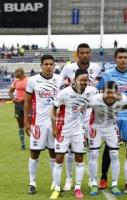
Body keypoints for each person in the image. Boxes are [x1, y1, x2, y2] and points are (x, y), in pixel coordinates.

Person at [96, 47, 127, 190]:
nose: (123, 60)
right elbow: (99, 90)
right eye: (120, 57)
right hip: (113, 116)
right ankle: (104, 177)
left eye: (125, 57)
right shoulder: (108, 74)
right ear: (115, 59)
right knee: (109, 148)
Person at [60, 43, 102, 191]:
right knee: (71, 151)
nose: (84, 55)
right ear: (77, 54)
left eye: (87, 53)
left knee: (93, 149)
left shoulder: (96, 68)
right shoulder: (68, 68)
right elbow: (60, 86)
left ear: (90, 54)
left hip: (90, 115)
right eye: (81, 53)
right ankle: (69, 179)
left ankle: (92, 179)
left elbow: (100, 87)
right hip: (74, 116)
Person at [50, 68, 97, 199]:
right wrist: (54, 127)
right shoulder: (64, 93)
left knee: (80, 159)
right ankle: (57, 188)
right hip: (63, 130)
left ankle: (77, 187)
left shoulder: (91, 92)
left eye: (86, 80)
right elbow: (54, 108)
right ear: (74, 80)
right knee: (59, 159)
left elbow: (97, 105)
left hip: (79, 131)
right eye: (81, 80)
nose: (83, 82)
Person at [24, 55, 63, 194]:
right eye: (46, 64)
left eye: (51, 64)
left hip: (54, 123)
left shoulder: (59, 79)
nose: (48, 66)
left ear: (54, 65)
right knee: (34, 153)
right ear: (41, 65)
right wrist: (26, 121)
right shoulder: (33, 80)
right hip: (38, 123)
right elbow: (27, 101)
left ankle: (55, 182)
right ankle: (32, 182)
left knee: (54, 152)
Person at [88, 81, 127, 196]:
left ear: (117, 93)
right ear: (102, 92)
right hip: (96, 128)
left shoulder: (123, 100)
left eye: (113, 92)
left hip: (111, 128)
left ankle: (114, 184)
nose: (110, 95)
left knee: (114, 155)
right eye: (107, 92)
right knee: (94, 155)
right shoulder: (94, 100)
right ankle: (94, 183)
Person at [8, 67, 28, 150]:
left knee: (30, 123)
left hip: (27, 104)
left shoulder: (28, 80)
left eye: (16, 72)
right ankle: (23, 144)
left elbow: (32, 92)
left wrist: (25, 99)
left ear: (20, 72)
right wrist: (13, 98)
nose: (15, 74)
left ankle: (35, 143)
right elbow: (10, 91)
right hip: (18, 105)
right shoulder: (15, 81)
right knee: (20, 125)